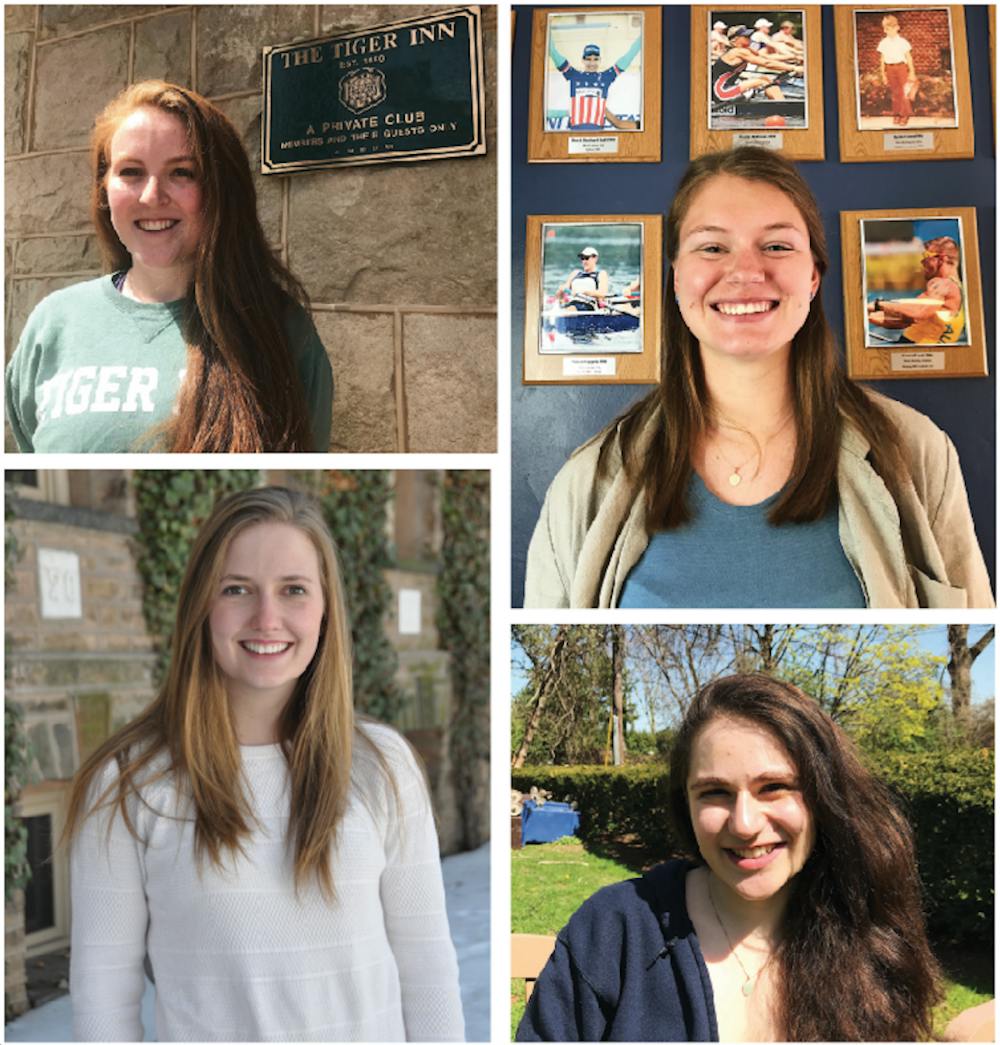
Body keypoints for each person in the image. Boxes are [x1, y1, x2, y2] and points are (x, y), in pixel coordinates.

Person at [64, 487, 465, 1042]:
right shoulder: (130, 783)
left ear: (326, 610)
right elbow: (103, 1001)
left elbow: (428, 973)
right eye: (237, 590)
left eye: (294, 590)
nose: (266, 617)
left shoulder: (383, 766)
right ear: (202, 606)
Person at [524, 147, 992, 608]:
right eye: (712, 247)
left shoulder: (917, 453)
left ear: (812, 276)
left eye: (776, 246)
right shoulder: (585, 484)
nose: (746, 271)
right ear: (675, 277)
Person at [516, 674, 943, 1041]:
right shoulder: (612, 932)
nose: (743, 824)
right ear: (686, 804)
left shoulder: (868, 934)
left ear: (822, 798)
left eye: (774, 787)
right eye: (715, 792)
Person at [6, 81, 333, 452]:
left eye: (182, 172)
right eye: (130, 172)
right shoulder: (52, 324)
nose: (151, 196)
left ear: (219, 189)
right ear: (104, 190)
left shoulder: (283, 332)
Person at [868, 235, 965, 345]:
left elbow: (919, 312)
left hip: (915, 349)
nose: (922, 262)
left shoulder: (943, 284)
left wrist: (878, 304)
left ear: (943, 259)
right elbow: (907, 321)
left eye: (926, 255)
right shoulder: (955, 288)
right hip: (914, 348)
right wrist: (871, 316)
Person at [548, 37, 642, 130]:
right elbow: (552, 51)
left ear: (600, 60)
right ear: (583, 60)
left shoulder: (606, 77)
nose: (592, 63)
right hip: (575, 137)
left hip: (597, 138)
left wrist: (643, 37)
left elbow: (628, 56)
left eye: (595, 59)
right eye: (588, 59)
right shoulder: (573, 74)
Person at [712, 27, 803, 106]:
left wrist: (794, 60)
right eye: (746, 36)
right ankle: (782, 107)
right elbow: (766, 63)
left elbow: (768, 58)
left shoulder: (746, 50)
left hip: (727, 88)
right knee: (761, 81)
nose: (749, 38)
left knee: (766, 79)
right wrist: (793, 68)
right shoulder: (738, 51)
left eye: (749, 36)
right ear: (735, 39)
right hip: (721, 92)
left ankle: (780, 104)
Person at [876, 15, 917, 126]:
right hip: (890, 69)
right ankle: (896, 114)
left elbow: (909, 57)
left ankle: (905, 115)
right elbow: (882, 59)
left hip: (901, 68)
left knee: (904, 92)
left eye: (890, 28)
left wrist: (912, 72)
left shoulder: (903, 42)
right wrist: (883, 74)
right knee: (895, 93)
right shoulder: (883, 43)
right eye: (886, 29)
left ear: (897, 27)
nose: (888, 31)